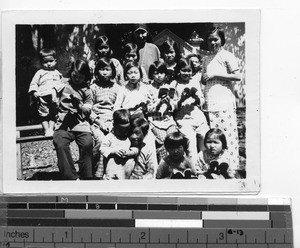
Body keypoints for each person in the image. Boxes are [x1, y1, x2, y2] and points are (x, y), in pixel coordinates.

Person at [201, 26, 241, 170]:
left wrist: (216, 75)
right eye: (210, 40)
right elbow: (205, 79)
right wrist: (204, 80)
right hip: (211, 104)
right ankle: (216, 167)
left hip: (224, 103)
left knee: (226, 137)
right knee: (214, 138)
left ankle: (231, 167)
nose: (213, 43)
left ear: (221, 40)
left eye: (215, 39)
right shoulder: (206, 59)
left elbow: (237, 76)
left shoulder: (227, 55)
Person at [53, 60, 93, 180]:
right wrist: (54, 97)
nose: (77, 79)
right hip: (64, 121)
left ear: (85, 77)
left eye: (80, 77)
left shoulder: (87, 90)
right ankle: (70, 177)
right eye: (74, 75)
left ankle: (87, 176)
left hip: (80, 121)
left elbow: (87, 110)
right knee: (60, 142)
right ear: (71, 73)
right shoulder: (64, 83)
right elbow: (54, 88)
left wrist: (79, 105)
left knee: (87, 143)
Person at [170, 58, 209, 163]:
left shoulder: (195, 81)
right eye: (183, 70)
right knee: (190, 141)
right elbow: (170, 103)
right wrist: (180, 101)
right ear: (178, 70)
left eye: (189, 70)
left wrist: (196, 100)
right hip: (184, 119)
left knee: (205, 138)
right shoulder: (174, 84)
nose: (187, 73)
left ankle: (206, 165)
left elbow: (202, 98)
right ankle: (194, 168)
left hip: (198, 116)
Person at [89, 57, 121, 177]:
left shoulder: (117, 88)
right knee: (102, 141)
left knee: (117, 141)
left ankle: (113, 173)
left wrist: (113, 122)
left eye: (107, 69)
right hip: (97, 122)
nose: (105, 72)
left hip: (113, 122)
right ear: (97, 71)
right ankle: (98, 174)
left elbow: (119, 107)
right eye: (102, 69)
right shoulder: (93, 88)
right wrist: (99, 122)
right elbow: (89, 109)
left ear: (112, 71)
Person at [28, 48, 65, 136]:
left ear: (55, 61)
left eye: (51, 61)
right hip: (42, 97)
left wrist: (56, 89)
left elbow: (62, 83)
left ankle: (50, 129)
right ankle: (46, 129)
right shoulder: (40, 73)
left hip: (54, 98)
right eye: (45, 62)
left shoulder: (57, 73)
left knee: (54, 114)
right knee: (43, 115)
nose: (48, 64)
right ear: (41, 62)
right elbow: (34, 83)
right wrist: (34, 91)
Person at [147, 60, 178, 162]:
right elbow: (148, 109)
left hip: (168, 120)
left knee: (173, 139)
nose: (159, 76)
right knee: (164, 141)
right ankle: (164, 166)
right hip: (155, 120)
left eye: (161, 73)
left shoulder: (169, 87)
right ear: (152, 74)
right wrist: (159, 103)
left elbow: (174, 106)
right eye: (156, 73)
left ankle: (176, 166)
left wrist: (169, 104)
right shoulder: (148, 88)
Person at [100, 109, 139, 180]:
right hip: (112, 172)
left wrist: (130, 153)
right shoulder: (110, 137)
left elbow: (136, 148)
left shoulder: (129, 137)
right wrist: (113, 151)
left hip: (126, 172)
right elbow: (102, 148)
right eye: (121, 129)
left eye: (126, 129)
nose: (124, 132)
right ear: (114, 125)